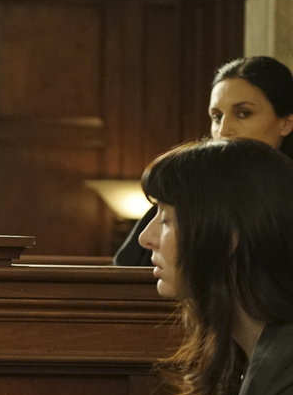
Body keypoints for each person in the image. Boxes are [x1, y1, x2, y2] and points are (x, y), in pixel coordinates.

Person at [0, 137, 293, 395]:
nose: (146, 237)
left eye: (167, 219)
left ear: (228, 236)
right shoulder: (241, 358)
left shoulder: (286, 368)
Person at [113, 55, 293, 266]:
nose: (224, 130)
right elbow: (126, 270)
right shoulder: (188, 191)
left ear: (286, 123)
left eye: (243, 114)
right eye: (217, 117)